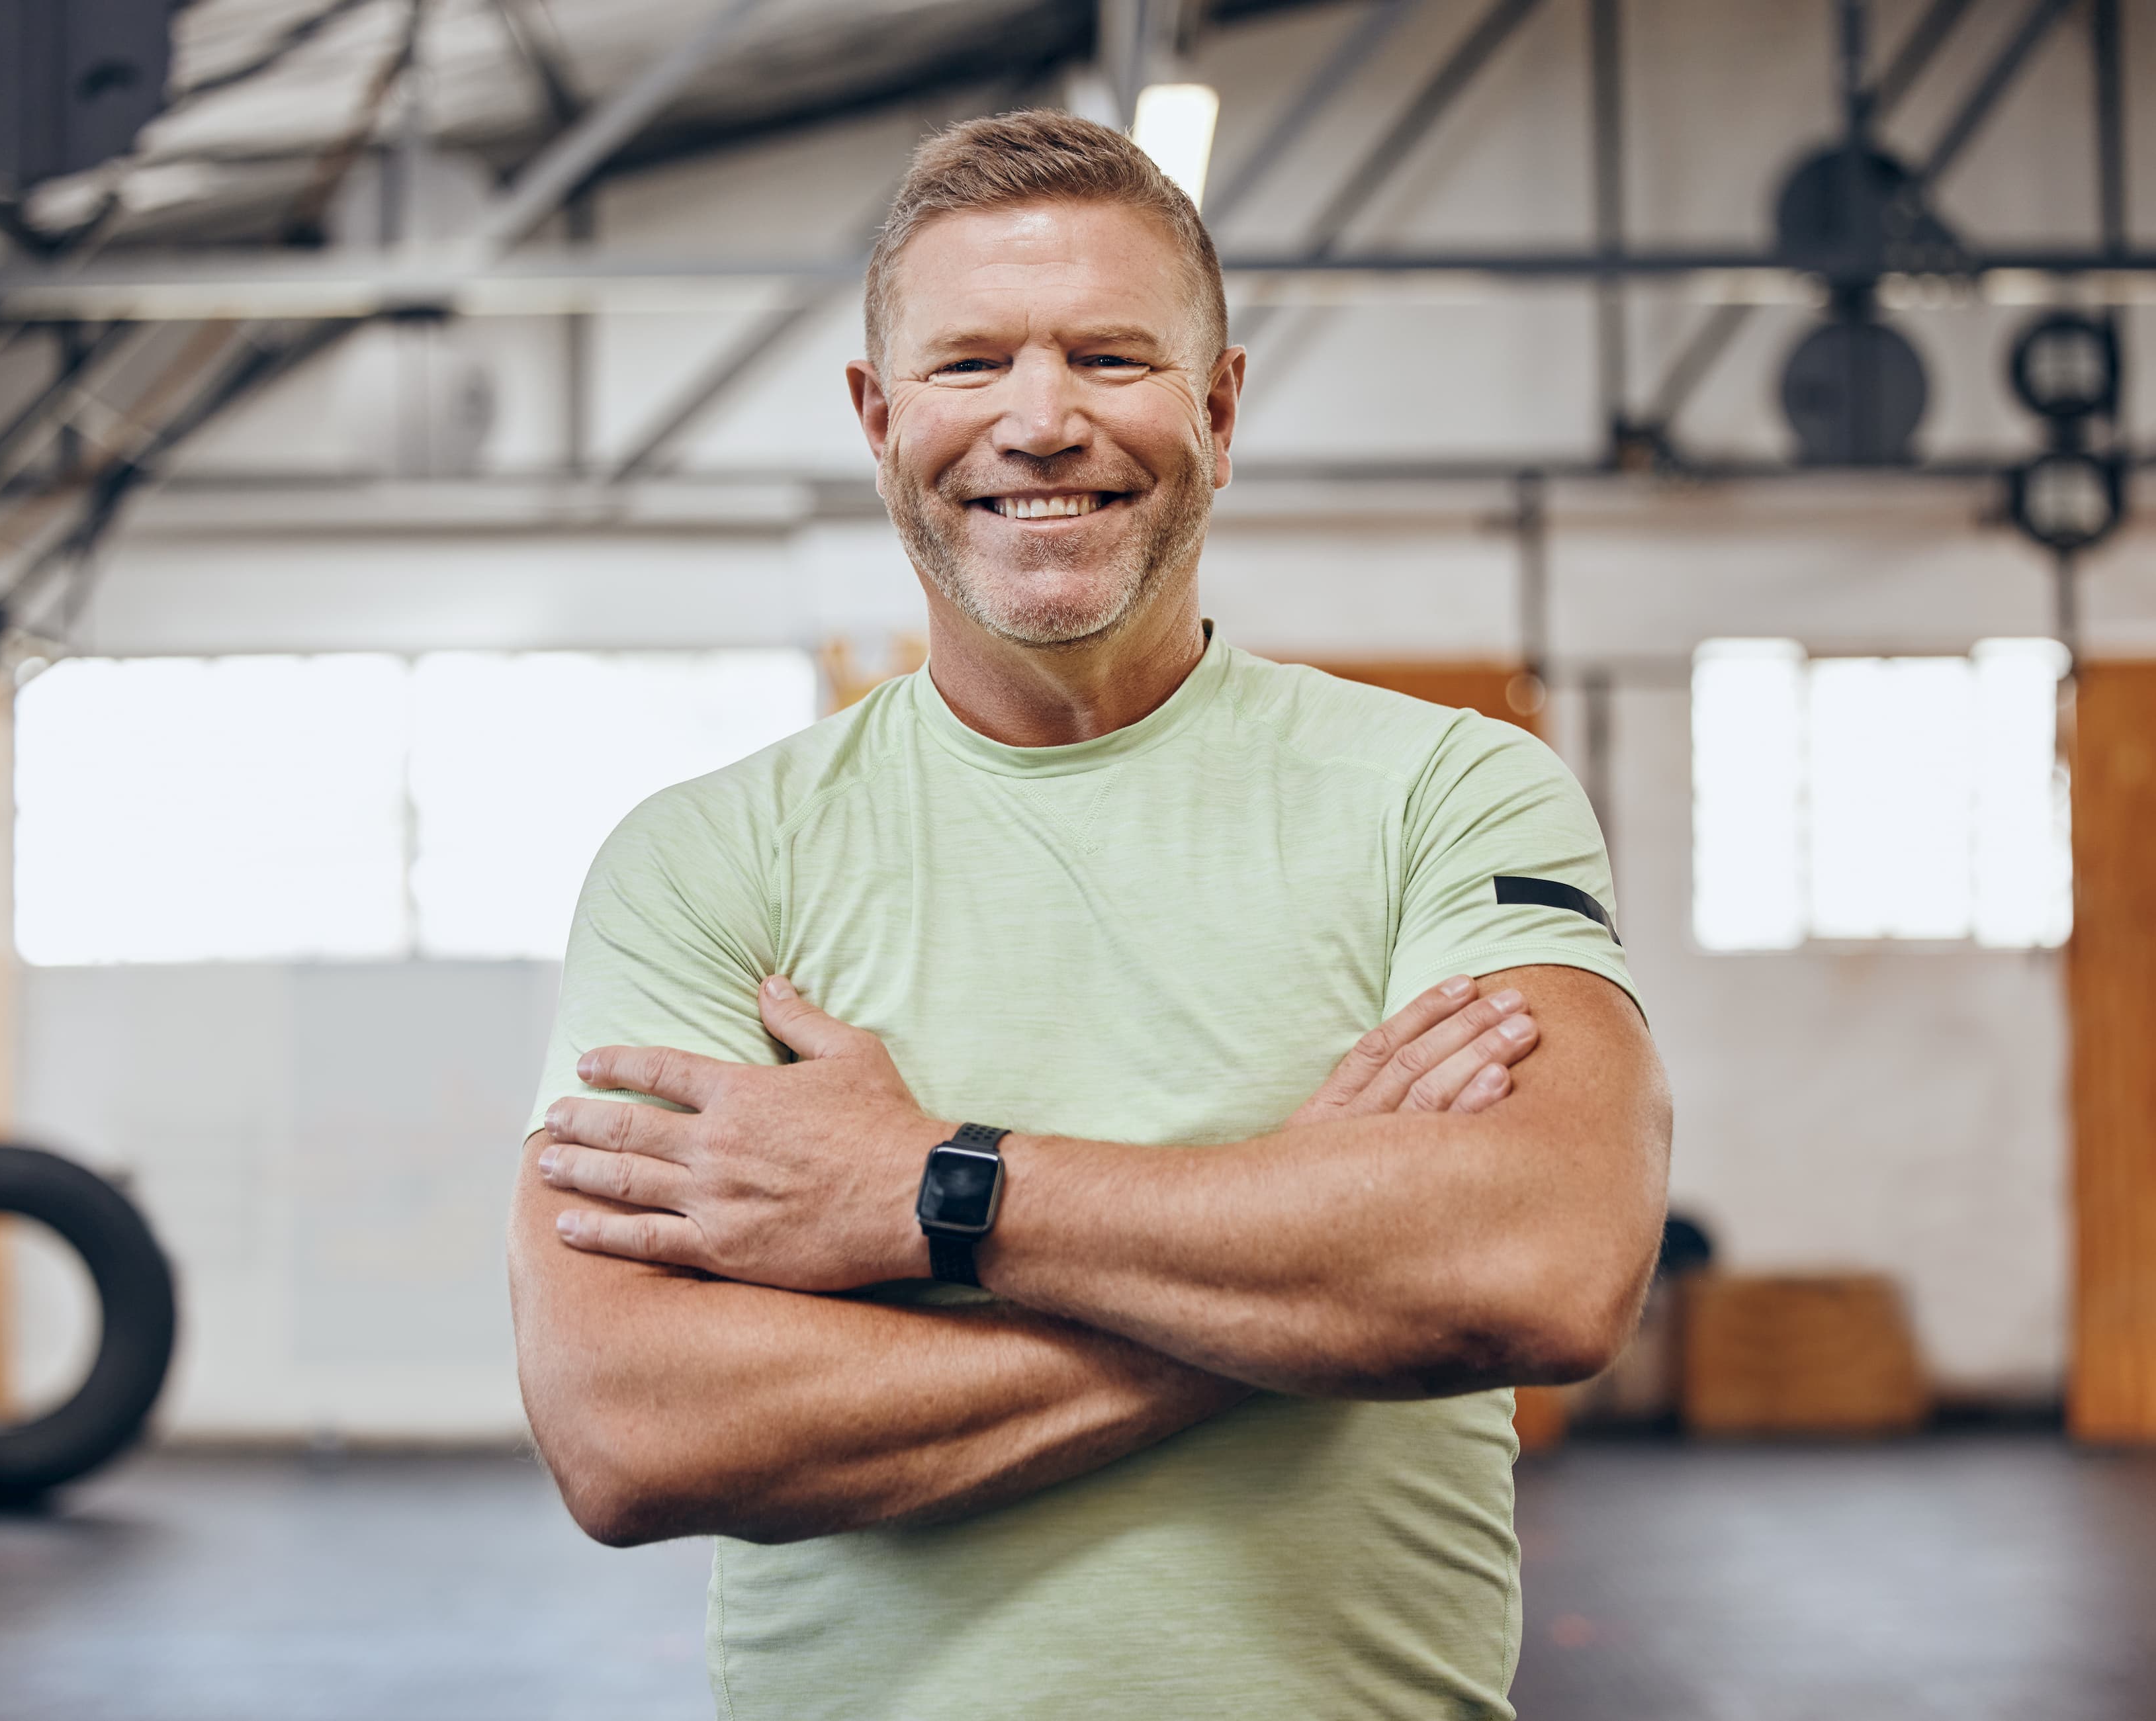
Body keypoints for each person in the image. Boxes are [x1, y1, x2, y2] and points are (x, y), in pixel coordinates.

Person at [508, 110, 1670, 1721]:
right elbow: (630, 1426)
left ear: (1219, 403)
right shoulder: (713, 860)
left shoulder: (1448, 795)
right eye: (969, 364)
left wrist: (927, 1187)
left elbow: (1542, 1261)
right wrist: (1311, 1285)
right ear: (876, 413)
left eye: (1111, 359)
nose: (1041, 424)